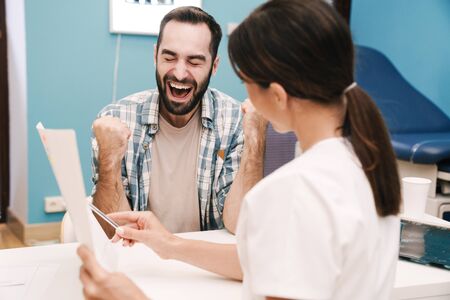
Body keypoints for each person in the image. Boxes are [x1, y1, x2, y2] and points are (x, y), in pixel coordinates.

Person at [78, 0, 402, 299]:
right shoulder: (369, 164)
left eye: (245, 79)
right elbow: (260, 259)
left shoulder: (290, 191)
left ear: (275, 95)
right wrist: (170, 244)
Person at [91, 6, 266, 236]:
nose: (180, 73)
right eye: (169, 57)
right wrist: (109, 162)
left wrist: (256, 136)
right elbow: (111, 229)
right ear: (155, 56)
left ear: (214, 66)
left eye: (194, 62)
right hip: (140, 259)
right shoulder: (117, 119)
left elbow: (240, 224)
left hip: (204, 264)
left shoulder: (235, 122)